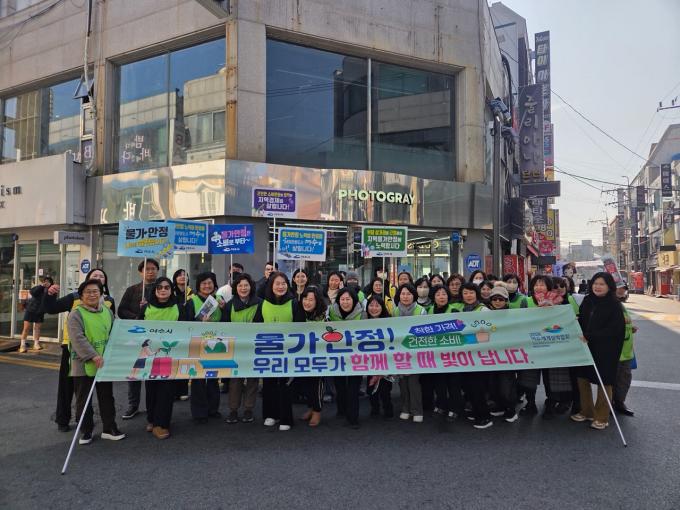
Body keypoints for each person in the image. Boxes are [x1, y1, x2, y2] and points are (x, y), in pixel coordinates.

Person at [43, 269, 115, 432]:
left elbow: (111, 326)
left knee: (101, 391)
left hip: (100, 351)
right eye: (95, 275)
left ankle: (104, 426)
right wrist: (50, 294)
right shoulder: (74, 298)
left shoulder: (109, 301)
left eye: (102, 276)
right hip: (73, 348)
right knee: (68, 387)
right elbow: (51, 308)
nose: (98, 278)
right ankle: (63, 419)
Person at [67, 279, 125, 445]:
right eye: (88, 292)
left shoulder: (107, 311)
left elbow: (115, 331)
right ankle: (86, 430)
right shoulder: (75, 314)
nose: (92, 295)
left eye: (95, 291)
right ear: (81, 295)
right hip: (84, 364)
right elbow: (78, 339)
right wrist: (93, 356)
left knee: (106, 397)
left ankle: (109, 428)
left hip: (104, 362)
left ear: (101, 294)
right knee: (83, 399)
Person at [571, 272, 625, 430]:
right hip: (586, 346)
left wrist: (591, 336)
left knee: (604, 381)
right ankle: (587, 411)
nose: (598, 287)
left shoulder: (614, 304)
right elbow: (583, 318)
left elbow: (614, 330)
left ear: (609, 286)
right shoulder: (587, 300)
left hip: (606, 349)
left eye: (602, 284)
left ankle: (602, 416)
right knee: (582, 377)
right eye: (595, 283)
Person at [253, 272, 305, 431]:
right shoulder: (263, 304)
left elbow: (300, 326)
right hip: (268, 349)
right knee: (269, 383)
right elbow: (255, 326)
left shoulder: (294, 303)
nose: (280, 287)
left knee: (285, 384)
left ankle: (285, 418)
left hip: (288, 351)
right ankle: (270, 414)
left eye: (283, 283)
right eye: (277, 283)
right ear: (271, 286)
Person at [138, 277, 185, 439]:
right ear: (155, 290)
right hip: (150, 356)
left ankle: (162, 424)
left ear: (171, 290)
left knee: (166, 391)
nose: (163, 290)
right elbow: (138, 328)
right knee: (151, 389)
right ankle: (152, 419)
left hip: (170, 356)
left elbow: (186, 330)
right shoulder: (146, 308)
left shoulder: (179, 307)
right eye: (159, 287)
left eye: (166, 287)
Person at [118, 258, 159, 420]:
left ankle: (152, 406)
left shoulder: (162, 288)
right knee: (134, 372)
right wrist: (136, 317)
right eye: (147, 269)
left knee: (153, 373)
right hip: (136, 337)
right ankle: (133, 405)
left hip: (155, 336)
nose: (150, 271)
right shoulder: (133, 290)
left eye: (153, 268)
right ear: (140, 272)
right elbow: (121, 310)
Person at [185, 271, 226, 423]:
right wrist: (200, 324)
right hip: (198, 344)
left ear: (214, 285)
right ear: (198, 285)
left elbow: (227, 321)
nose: (207, 286)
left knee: (214, 378)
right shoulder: (192, 301)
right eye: (203, 283)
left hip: (217, 344)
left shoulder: (220, 300)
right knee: (198, 379)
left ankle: (213, 409)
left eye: (210, 283)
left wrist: (224, 309)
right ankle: (199, 413)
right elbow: (187, 323)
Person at [223, 273, 262, 425]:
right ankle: (233, 410)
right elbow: (224, 327)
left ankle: (248, 409)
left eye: (246, 285)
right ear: (235, 288)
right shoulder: (229, 305)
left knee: (252, 379)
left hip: (254, 347)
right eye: (240, 285)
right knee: (235, 380)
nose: (243, 288)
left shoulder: (260, 303)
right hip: (236, 349)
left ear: (251, 287)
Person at [516, 274, 554, 416]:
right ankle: (530, 403)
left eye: (542, 284)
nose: (539, 287)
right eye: (536, 284)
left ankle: (550, 403)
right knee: (528, 377)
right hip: (530, 345)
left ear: (548, 287)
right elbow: (520, 322)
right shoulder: (526, 301)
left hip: (550, 345)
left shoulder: (556, 301)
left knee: (550, 377)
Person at [328, 287, 365, 429]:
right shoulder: (331, 312)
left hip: (356, 356)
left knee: (353, 388)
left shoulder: (362, 314)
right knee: (340, 385)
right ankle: (341, 409)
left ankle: (353, 418)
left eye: (348, 299)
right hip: (337, 355)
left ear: (354, 300)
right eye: (342, 299)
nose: (345, 302)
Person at [459, 282, 492, 429]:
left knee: (478, 387)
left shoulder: (483, 310)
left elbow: (488, 334)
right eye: (465, 293)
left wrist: (468, 339)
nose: (468, 296)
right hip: (465, 356)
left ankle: (484, 417)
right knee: (469, 386)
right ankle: (476, 410)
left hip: (480, 355)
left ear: (477, 294)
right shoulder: (461, 309)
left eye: (471, 292)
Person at [393, 283, 427, 423]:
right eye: (403, 294)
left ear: (414, 295)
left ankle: (417, 410)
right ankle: (405, 408)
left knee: (413, 383)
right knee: (402, 382)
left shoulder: (421, 310)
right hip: (400, 352)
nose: (405, 296)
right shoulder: (395, 311)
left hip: (415, 352)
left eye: (408, 294)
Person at [429, 285, 464, 421]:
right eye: (438, 294)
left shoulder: (454, 310)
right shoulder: (429, 311)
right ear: (433, 297)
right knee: (439, 382)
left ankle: (455, 409)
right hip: (436, 354)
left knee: (453, 383)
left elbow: (461, 330)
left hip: (452, 354)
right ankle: (441, 405)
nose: (441, 297)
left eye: (444, 294)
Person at [485, 285, 519, 423]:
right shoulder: (484, 315)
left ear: (506, 300)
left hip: (507, 357)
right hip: (491, 356)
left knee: (506, 384)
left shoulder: (513, 315)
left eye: (501, 299)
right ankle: (499, 406)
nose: (498, 302)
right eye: (494, 299)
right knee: (493, 384)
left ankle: (511, 409)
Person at [299, 286, 328, 427]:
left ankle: (317, 411)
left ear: (317, 301)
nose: (307, 302)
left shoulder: (324, 315)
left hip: (319, 355)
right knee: (305, 384)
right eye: (305, 299)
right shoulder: (299, 313)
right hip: (302, 354)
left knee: (317, 383)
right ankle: (310, 407)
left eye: (311, 300)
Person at [364, 295, 394, 420]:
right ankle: (374, 408)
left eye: (377, 305)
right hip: (370, 361)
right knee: (371, 387)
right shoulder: (362, 323)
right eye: (371, 305)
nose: (374, 308)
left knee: (385, 389)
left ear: (382, 307)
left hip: (385, 360)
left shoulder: (389, 322)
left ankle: (388, 409)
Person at [614, 286, 636, 416]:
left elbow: (625, 323)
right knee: (613, 379)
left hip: (626, 351)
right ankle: (610, 404)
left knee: (625, 378)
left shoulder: (621, 305)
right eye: (619, 288)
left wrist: (630, 327)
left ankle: (620, 402)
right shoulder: (610, 305)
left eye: (624, 288)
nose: (622, 290)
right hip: (614, 350)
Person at [19, 276, 53, 352]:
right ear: (43, 282)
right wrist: (41, 286)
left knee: (37, 328)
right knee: (26, 328)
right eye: (45, 281)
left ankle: (36, 344)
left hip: (40, 311)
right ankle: (22, 345)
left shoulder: (50, 291)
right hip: (30, 309)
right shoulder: (39, 287)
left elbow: (51, 301)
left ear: (51, 283)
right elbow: (32, 292)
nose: (47, 283)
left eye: (49, 282)